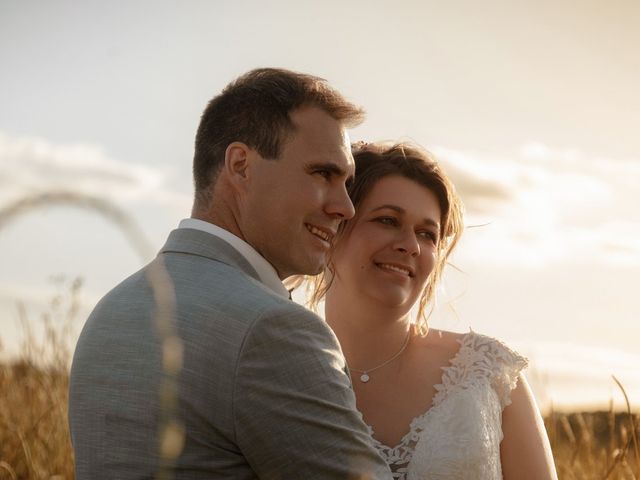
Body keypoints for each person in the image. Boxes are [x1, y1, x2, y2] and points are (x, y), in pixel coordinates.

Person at [68, 69, 393, 479]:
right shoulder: (274, 329)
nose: (345, 207)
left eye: (346, 182)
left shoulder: (112, 309)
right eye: (324, 174)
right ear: (241, 166)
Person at [310, 141, 558, 479]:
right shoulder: (277, 369)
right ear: (334, 229)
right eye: (387, 220)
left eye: (427, 234)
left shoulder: (488, 373)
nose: (410, 245)